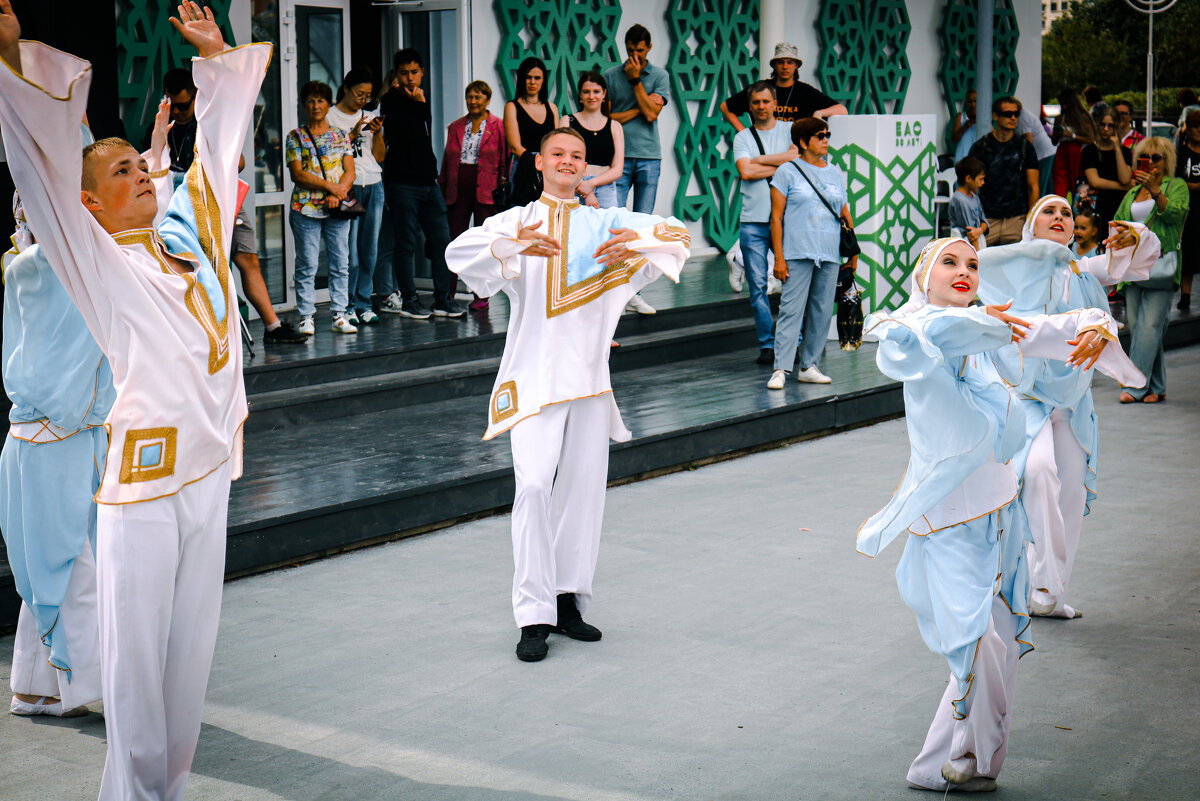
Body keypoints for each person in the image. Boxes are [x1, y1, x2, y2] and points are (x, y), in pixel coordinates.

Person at [0, 3, 269, 798]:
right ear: (87, 205)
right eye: (122, 173)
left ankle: (166, 789)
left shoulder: (188, 242)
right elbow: (41, 168)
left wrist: (217, 65)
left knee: (188, 659)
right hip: (145, 485)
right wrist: (14, 59)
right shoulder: (97, 263)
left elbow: (216, 161)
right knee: (136, 663)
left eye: (143, 167)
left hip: (209, 471)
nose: (143, 175)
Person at [859, 236, 1142, 793]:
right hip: (947, 521)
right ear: (924, 275)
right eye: (949, 262)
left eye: (972, 264)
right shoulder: (914, 328)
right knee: (975, 641)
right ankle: (961, 758)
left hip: (1001, 512)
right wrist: (986, 324)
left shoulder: (992, 328)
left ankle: (964, 763)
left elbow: (1069, 320)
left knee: (1001, 641)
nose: (963, 270)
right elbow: (896, 333)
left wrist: (1096, 326)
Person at [445, 127, 690, 662]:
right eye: (558, 153)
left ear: (587, 167)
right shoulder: (517, 219)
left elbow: (678, 235)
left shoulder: (606, 221)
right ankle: (532, 614)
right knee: (533, 487)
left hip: (588, 380)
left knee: (582, 493)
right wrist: (514, 244)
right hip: (533, 379)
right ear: (538, 161)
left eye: (578, 156)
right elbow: (458, 254)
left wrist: (639, 241)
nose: (568, 161)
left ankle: (566, 601)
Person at [976, 196, 1160, 619]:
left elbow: (1139, 256)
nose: (1059, 218)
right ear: (1031, 226)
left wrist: (1140, 235)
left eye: (1065, 213)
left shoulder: (1080, 268)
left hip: (1074, 405)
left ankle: (1051, 596)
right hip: (1027, 400)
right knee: (1039, 473)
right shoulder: (1009, 266)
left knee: (1071, 497)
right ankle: (1036, 582)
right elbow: (964, 270)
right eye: (1048, 212)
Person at [2, 190, 109, 721]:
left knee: (57, 564)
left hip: (47, 433)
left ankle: (38, 687)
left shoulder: (27, 264)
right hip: (54, 434)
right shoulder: (59, 268)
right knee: (71, 565)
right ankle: (86, 685)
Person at [161, 67, 304, 343]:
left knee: (247, 258)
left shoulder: (207, 123)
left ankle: (273, 326)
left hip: (222, 203)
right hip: (183, 212)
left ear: (195, 98)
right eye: (172, 105)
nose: (177, 112)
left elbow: (238, 162)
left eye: (182, 106)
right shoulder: (162, 128)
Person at [767, 116, 856, 389]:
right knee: (791, 310)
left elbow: (844, 212)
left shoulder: (834, 171)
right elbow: (776, 218)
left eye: (827, 134)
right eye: (820, 135)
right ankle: (781, 368)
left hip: (829, 252)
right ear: (804, 142)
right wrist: (779, 258)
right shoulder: (786, 172)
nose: (826, 139)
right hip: (797, 251)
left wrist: (853, 253)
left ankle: (809, 365)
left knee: (820, 310)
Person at [380, 48, 464, 319]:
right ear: (396, 74)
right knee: (406, 244)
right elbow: (403, 134)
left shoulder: (420, 98)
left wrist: (420, 103)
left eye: (414, 72)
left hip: (428, 182)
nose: (410, 78)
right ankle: (410, 300)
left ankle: (442, 299)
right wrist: (418, 104)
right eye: (404, 73)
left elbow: (423, 133)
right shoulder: (391, 100)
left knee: (442, 241)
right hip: (402, 183)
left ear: (422, 72)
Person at [1114, 138, 1190, 404]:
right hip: (1133, 266)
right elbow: (1119, 221)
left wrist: (1157, 192)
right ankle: (1156, 387)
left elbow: (1176, 215)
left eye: (1156, 158)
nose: (1150, 162)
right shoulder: (1132, 192)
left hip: (1161, 264)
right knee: (1139, 327)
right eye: (1144, 158)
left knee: (1150, 326)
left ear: (1167, 161)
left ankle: (1135, 386)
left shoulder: (1176, 186)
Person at [732, 81, 798, 365]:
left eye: (766, 102)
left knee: (793, 285)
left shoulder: (790, 129)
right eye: (756, 102)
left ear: (775, 104)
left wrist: (762, 160)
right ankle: (767, 346)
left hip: (786, 220)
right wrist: (780, 165)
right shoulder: (742, 137)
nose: (761, 107)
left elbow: (797, 157)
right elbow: (745, 172)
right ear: (750, 106)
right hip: (752, 222)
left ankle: (793, 342)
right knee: (757, 286)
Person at [604, 25, 668, 315]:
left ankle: (635, 292)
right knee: (615, 226)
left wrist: (635, 82)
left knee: (641, 227)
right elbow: (606, 118)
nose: (634, 55)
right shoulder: (609, 75)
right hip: (618, 157)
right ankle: (614, 289)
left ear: (649, 48)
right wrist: (639, 107)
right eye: (630, 50)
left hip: (649, 158)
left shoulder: (660, 76)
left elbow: (653, 113)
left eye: (640, 50)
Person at [286, 80, 356, 335]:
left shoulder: (339, 135)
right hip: (305, 208)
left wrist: (339, 192)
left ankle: (339, 314)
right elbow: (298, 174)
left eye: (321, 100)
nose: (316, 105)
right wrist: (332, 188)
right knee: (307, 262)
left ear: (329, 104)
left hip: (337, 207)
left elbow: (350, 171)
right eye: (311, 100)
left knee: (340, 261)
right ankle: (306, 316)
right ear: (305, 104)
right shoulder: (295, 137)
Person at [327, 67, 387, 327]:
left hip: (373, 182)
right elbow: (328, 153)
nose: (363, 100)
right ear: (345, 89)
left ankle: (364, 302)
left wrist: (377, 131)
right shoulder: (330, 116)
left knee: (369, 249)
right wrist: (351, 135)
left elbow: (381, 156)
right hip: (347, 186)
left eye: (368, 96)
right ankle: (347, 305)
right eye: (359, 94)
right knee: (348, 250)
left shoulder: (370, 115)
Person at [441, 80, 508, 311]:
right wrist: (442, 186)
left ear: (487, 100)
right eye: (470, 96)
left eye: (478, 97)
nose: (473, 101)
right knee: (453, 240)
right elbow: (446, 159)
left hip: (486, 190)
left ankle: (482, 295)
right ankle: (447, 291)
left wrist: (502, 187)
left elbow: (504, 160)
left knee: (483, 243)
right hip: (458, 188)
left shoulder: (498, 125)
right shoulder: (456, 126)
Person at [719, 42, 846, 131]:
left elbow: (842, 110)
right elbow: (725, 107)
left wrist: (819, 113)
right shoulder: (762, 89)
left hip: (796, 151)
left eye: (789, 62)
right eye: (781, 62)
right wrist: (744, 133)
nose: (785, 67)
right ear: (774, 65)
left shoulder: (805, 91)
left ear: (796, 65)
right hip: (765, 148)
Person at [968, 97, 1039, 245]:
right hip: (987, 220)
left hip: (1017, 220)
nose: (1013, 118)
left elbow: (1033, 187)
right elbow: (970, 187)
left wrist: (1031, 221)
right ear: (995, 116)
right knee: (983, 265)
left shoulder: (1025, 147)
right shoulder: (981, 147)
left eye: (1016, 114)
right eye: (1007, 114)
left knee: (1017, 266)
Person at [561, 71, 625, 209]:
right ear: (580, 95)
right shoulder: (567, 122)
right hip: (573, 187)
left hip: (606, 189)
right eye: (586, 92)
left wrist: (591, 184)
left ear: (604, 94)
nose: (591, 96)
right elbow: (561, 162)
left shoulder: (614, 126)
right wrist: (583, 188)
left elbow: (618, 169)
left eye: (596, 91)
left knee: (608, 229)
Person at [503, 56, 559, 208]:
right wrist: (537, 163)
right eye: (528, 77)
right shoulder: (512, 107)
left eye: (537, 78)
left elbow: (557, 143)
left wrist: (547, 164)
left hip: (548, 168)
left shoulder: (552, 108)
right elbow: (515, 146)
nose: (532, 82)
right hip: (523, 166)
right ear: (521, 79)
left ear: (543, 80)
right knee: (520, 216)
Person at [1080, 106, 1132, 224]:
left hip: (1118, 204)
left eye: (1110, 125)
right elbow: (1095, 181)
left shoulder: (1125, 152)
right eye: (1102, 125)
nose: (1106, 129)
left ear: (1116, 127)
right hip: (1096, 204)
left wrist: (1117, 149)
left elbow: (1125, 179)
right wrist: (1123, 187)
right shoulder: (1089, 150)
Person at [1051, 89, 1096, 200]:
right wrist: (1057, 133)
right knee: (1059, 182)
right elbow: (1054, 141)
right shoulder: (1059, 118)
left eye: (1066, 104)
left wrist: (1073, 135)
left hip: (1076, 151)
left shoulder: (1082, 117)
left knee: (1075, 181)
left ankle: (1076, 206)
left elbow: (1090, 138)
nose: (1064, 107)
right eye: (1062, 104)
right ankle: (1060, 203)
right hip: (1061, 150)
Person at [1176, 110, 1200, 311]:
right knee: (1188, 252)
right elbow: (1179, 181)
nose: (1199, 130)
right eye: (1195, 126)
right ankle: (1185, 294)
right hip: (1188, 209)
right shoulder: (1181, 153)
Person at [949, 155, 988, 249]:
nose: (983, 183)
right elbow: (971, 234)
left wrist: (979, 231)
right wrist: (977, 257)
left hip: (979, 242)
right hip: (967, 247)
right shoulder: (959, 200)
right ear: (968, 179)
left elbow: (984, 222)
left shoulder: (974, 196)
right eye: (980, 179)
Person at [1019, 106, 1057, 197]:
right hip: (1048, 151)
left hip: (1042, 154)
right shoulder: (1025, 114)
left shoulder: (1022, 118)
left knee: (1040, 187)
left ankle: (1040, 207)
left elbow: (1029, 141)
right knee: (1049, 188)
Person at [950, 88, 981, 163]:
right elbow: (953, 139)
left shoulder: (983, 117)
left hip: (977, 162)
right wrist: (965, 127)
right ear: (966, 102)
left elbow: (992, 136)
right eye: (969, 101)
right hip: (962, 160)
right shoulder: (961, 116)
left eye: (975, 101)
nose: (972, 104)